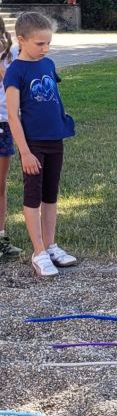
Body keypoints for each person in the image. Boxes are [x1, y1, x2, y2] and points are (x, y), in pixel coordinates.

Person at [4, 11, 76, 277]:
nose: (45, 48)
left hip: (54, 138)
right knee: (33, 195)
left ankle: (50, 245)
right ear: (21, 40)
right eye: (39, 43)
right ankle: (38, 251)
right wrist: (24, 152)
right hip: (33, 143)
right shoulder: (15, 71)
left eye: (48, 43)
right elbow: (13, 115)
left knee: (50, 194)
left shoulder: (48, 64)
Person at [0, 17, 22, 262]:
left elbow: (13, 85)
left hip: (4, 123)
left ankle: (1, 238)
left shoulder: (12, 54)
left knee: (0, 185)